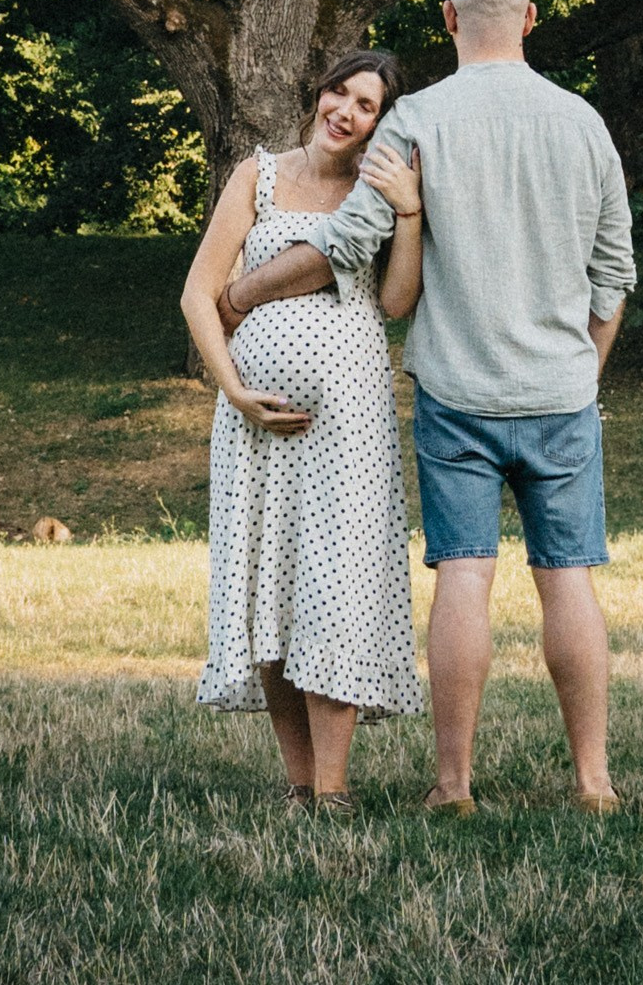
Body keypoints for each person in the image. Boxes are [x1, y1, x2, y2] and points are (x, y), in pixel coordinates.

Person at [220, 0, 635, 816]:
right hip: (560, 393)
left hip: (457, 395)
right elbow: (614, 275)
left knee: (465, 578)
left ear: (449, 19)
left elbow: (345, 243)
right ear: (529, 20)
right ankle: (593, 781)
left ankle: (453, 784)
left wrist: (246, 290)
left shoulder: (417, 122)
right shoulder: (584, 123)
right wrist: (581, 374)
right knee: (569, 578)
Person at [180, 48, 427, 810]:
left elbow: (395, 300)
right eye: (339, 93)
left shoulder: (377, 190)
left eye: (366, 106)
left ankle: (335, 786)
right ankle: (297, 784)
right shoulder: (256, 174)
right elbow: (198, 295)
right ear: (318, 92)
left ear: (379, 124)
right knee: (272, 589)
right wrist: (237, 393)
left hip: (348, 423)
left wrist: (411, 213)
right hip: (253, 428)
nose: (345, 113)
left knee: (338, 589)